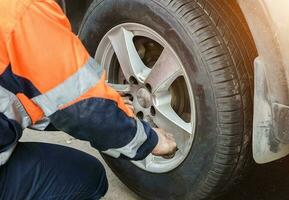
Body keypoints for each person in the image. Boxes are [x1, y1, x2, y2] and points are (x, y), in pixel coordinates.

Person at [0, 0, 177, 199]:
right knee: (88, 178)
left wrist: (101, 98)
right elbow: (84, 112)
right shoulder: (24, 10)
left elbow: (21, 91)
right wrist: (149, 141)